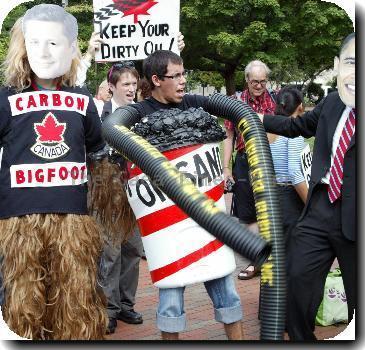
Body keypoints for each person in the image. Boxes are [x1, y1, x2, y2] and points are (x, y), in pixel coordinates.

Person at [0, 4, 107, 339]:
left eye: (54, 43)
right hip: (20, 220)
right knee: (23, 306)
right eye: (36, 43)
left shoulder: (82, 98)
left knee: (75, 306)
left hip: (72, 218)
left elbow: (97, 152)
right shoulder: (6, 98)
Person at [127, 50, 244, 341]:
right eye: (175, 76)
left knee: (228, 295)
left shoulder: (194, 104)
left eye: (183, 75)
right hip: (168, 229)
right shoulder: (139, 115)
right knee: (170, 304)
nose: (182, 82)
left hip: (206, 222)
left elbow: (232, 114)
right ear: (155, 80)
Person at [261, 33, 355, 341]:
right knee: (297, 280)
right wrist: (257, 117)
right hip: (320, 207)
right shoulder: (332, 102)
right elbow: (295, 126)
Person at [223, 60, 276, 280]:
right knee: (247, 213)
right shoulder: (235, 102)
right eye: (255, 81)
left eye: (263, 81)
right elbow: (228, 135)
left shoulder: (275, 101)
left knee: (270, 210)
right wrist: (226, 167)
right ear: (246, 80)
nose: (259, 86)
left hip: (268, 159)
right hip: (244, 161)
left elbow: (280, 132)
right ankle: (258, 259)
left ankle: (265, 260)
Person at [270, 86, 308, 243]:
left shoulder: (268, 128)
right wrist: (310, 204)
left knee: (278, 250)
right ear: (300, 106)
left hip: (272, 194)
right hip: (290, 197)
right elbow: (294, 173)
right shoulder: (293, 132)